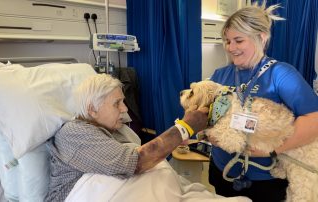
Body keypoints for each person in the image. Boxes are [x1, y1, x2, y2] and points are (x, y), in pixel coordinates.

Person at [207, 2, 318, 202]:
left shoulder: (281, 75)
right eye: (227, 41)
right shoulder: (220, 75)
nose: (231, 48)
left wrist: (274, 149)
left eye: (238, 41)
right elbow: (208, 114)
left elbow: (314, 118)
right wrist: (209, 133)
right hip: (223, 171)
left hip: (264, 181)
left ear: (261, 37)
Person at [45, 73, 209, 202]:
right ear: (92, 109)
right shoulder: (74, 133)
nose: (124, 109)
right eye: (117, 103)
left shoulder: (116, 129)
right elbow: (134, 163)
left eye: (123, 101)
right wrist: (185, 127)